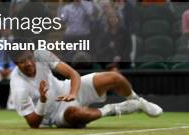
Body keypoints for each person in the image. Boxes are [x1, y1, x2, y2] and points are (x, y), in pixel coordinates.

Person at [10, 48, 162, 128]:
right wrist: (42, 101)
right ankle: (111, 109)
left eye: (30, 58)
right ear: (16, 64)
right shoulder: (18, 86)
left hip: (67, 88)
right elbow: (33, 123)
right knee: (75, 115)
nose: (29, 63)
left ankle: (137, 101)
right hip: (55, 115)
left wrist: (73, 93)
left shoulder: (41, 54)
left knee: (114, 77)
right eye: (22, 61)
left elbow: (72, 73)